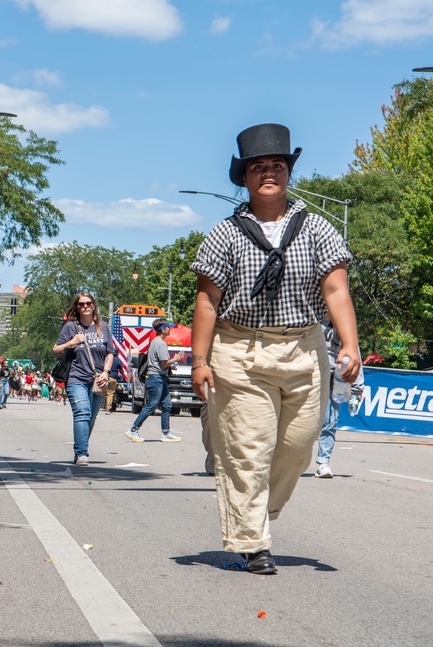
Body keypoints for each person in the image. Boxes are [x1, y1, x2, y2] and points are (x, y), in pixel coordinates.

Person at [190, 123, 360, 575]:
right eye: (258, 167)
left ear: (288, 174)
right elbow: (207, 300)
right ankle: (253, 543)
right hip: (240, 350)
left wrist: (350, 343)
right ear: (244, 178)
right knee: (249, 449)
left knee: (298, 449)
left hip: (304, 350)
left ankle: (256, 516)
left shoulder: (317, 228)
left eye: (277, 165)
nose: (269, 173)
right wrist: (200, 360)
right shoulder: (225, 234)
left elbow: (336, 289)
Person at [52, 292, 114, 467]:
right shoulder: (71, 327)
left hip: (97, 379)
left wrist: (106, 372)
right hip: (75, 378)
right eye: (81, 304)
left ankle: (80, 445)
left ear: (93, 305)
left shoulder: (104, 327)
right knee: (82, 412)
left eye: (88, 303)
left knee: (91, 418)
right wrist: (71, 342)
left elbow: (110, 353)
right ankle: (82, 453)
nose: (85, 306)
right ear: (77, 308)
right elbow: (56, 350)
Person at [315, 320, 364, 479]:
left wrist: (357, 387)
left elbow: (355, 355)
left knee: (331, 421)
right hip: (313, 375)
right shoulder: (313, 321)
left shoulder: (346, 326)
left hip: (337, 378)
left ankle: (323, 462)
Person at [125, 319, 186, 441]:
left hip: (158, 377)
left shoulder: (155, 342)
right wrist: (175, 359)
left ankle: (166, 433)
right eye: (168, 327)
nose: (170, 329)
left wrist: (171, 364)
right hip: (156, 377)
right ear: (163, 329)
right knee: (151, 405)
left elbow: (161, 363)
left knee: (167, 404)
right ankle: (133, 429)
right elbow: (164, 363)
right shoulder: (161, 344)